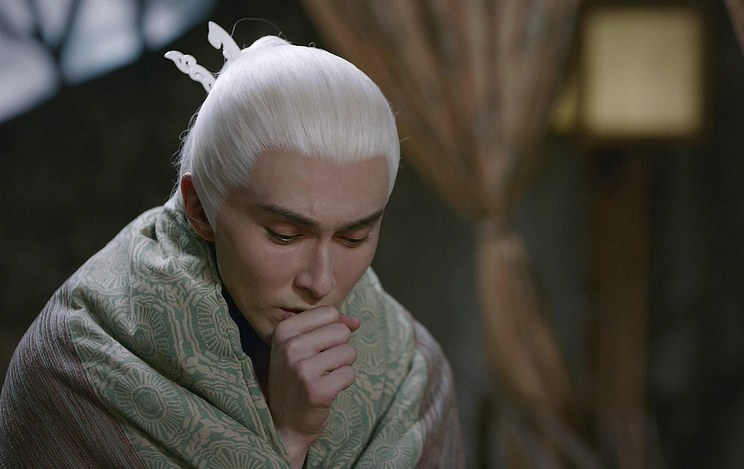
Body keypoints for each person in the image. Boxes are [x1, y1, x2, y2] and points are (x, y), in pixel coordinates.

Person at [0, 22, 462, 468]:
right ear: (200, 208)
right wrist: (289, 439)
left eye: (353, 238)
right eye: (285, 235)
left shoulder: (410, 373)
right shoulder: (76, 363)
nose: (320, 282)